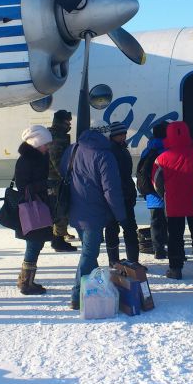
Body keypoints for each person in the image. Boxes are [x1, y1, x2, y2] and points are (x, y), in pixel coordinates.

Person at [61, 119, 126, 310]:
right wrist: (120, 215)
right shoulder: (105, 155)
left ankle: (95, 289)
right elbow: (111, 189)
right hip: (94, 213)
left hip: (75, 210)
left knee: (89, 252)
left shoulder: (72, 149)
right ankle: (76, 295)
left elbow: (64, 173)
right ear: (105, 134)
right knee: (89, 254)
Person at [152, 120, 193, 279]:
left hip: (174, 204)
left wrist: (165, 194)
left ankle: (175, 268)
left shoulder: (162, 158)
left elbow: (156, 183)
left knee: (175, 236)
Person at [14, 125, 54, 295]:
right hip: (32, 208)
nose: (48, 147)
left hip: (39, 205)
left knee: (36, 244)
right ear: (37, 143)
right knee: (33, 244)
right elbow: (23, 186)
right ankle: (25, 282)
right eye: (45, 144)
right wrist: (45, 185)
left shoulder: (39, 158)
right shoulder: (26, 160)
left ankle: (27, 280)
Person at [104, 121, 141, 266]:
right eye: (120, 134)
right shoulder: (112, 151)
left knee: (120, 228)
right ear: (113, 136)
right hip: (118, 196)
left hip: (124, 194)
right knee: (125, 228)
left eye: (124, 133)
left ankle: (120, 261)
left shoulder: (122, 149)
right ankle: (121, 261)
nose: (123, 136)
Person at [138, 121, 169, 258]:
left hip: (150, 192)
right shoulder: (166, 150)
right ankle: (168, 245)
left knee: (155, 221)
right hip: (166, 192)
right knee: (168, 221)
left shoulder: (148, 149)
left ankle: (158, 249)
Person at [48, 110, 77, 252]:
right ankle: (58, 240)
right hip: (56, 180)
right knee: (61, 209)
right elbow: (57, 161)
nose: (69, 124)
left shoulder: (56, 135)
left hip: (56, 180)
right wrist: (66, 176)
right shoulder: (56, 138)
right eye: (67, 122)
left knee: (60, 209)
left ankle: (59, 236)